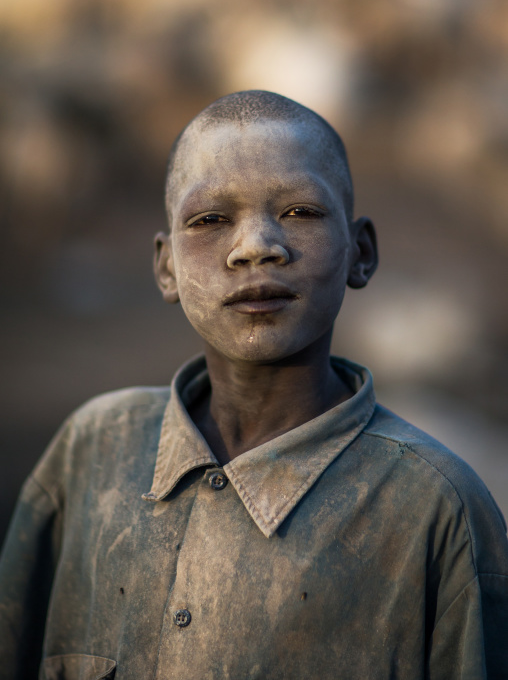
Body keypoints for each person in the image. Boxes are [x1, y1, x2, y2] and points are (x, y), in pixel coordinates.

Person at [0, 90, 507, 680]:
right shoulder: (92, 450)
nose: (256, 247)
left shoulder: (436, 508)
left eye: (300, 213)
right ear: (166, 267)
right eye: (211, 220)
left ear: (361, 253)